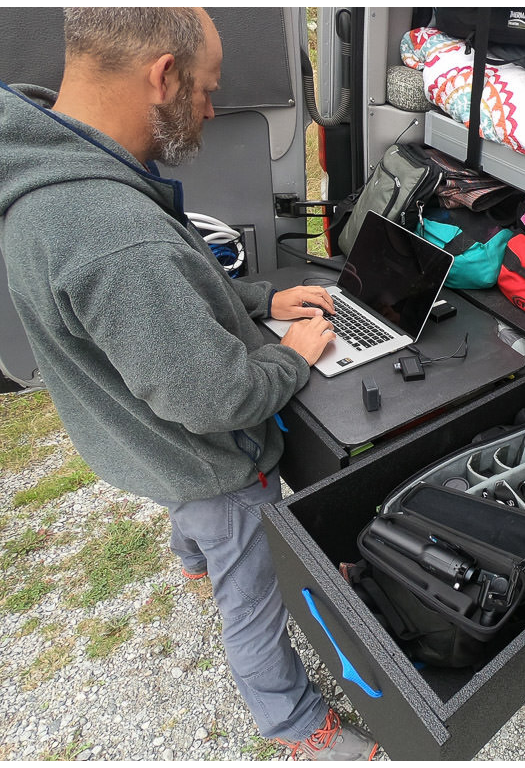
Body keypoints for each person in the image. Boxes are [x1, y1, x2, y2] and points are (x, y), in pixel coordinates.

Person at [0, 7, 377, 761]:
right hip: (205, 465)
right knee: (253, 598)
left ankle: (191, 558)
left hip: (131, 436)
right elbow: (215, 402)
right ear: (162, 75)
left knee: (194, 514)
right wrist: (295, 354)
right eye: (205, 89)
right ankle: (298, 725)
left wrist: (262, 302)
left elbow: (176, 292)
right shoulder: (112, 233)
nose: (209, 108)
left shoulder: (52, 159)